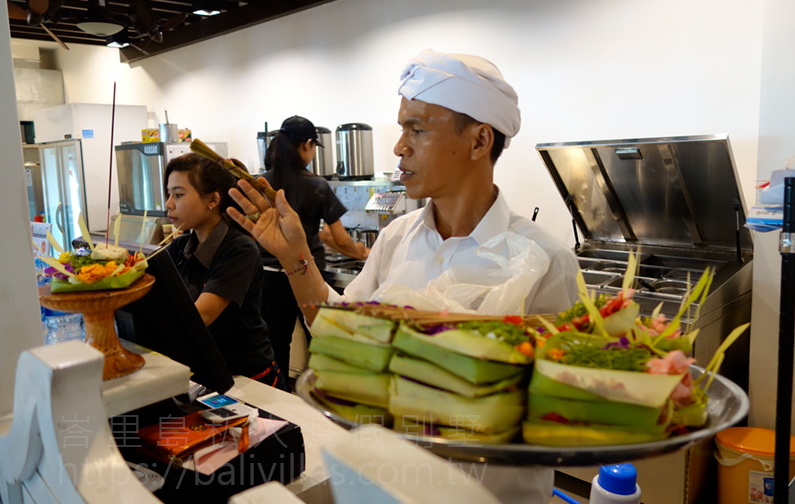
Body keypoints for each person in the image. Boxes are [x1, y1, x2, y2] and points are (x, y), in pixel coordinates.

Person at [228, 49, 580, 502]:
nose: (399, 147)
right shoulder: (398, 238)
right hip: (386, 486)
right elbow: (339, 334)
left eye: (417, 129)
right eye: (401, 129)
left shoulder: (545, 260)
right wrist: (298, 257)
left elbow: (562, 415)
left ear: (479, 141)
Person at [260, 115, 368, 386]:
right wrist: (365, 254)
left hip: (269, 275)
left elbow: (323, 235)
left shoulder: (263, 182)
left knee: (277, 344)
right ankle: (326, 399)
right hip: (307, 274)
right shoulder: (316, 185)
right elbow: (340, 239)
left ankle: (281, 405)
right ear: (307, 145)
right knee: (321, 340)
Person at [164, 152, 285, 389]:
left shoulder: (239, 249)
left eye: (178, 194)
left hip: (249, 380)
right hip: (207, 374)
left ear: (212, 200)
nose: (169, 203)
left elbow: (201, 316)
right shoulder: (179, 246)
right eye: (169, 194)